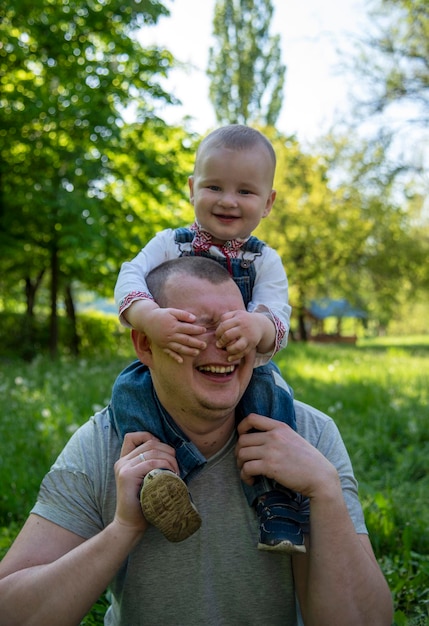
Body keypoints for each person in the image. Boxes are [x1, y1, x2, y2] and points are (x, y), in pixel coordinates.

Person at [0, 257, 393, 626]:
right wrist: (123, 528)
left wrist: (323, 491)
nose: (225, 344)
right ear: (145, 345)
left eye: (234, 325)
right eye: (196, 327)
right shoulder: (104, 445)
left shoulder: (309, 435)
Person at [112, 124, 303, 553]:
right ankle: (157, 477)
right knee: (128, 389)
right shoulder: (170, 245)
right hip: (179, 354)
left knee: (273, 401)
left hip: (241, 366)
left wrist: (257, 327)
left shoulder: (265, 261)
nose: (228, 200)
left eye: (246, 191)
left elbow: (276, 314)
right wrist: (149, 316)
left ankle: (277, 499)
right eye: (214, 186)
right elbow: (129, 277)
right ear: (192, 188)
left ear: (268, 202)